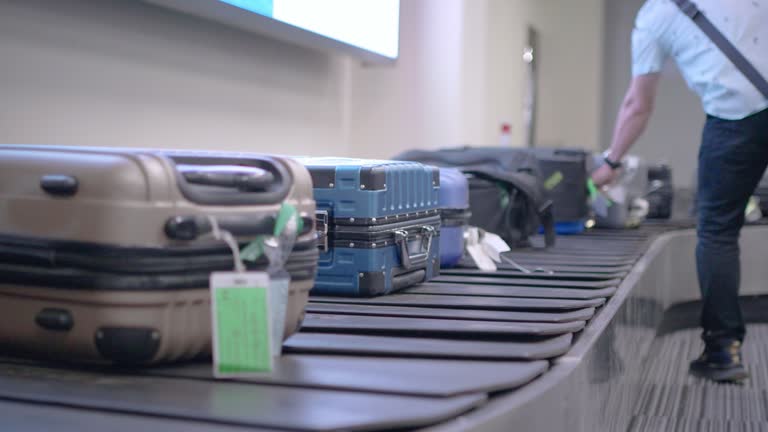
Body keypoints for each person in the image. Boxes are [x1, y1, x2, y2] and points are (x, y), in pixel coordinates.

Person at [592, 0, 768, 382]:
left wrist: (612, 162)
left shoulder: (656, 16)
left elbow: (638, 104)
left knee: (718, 232)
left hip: (734, 122)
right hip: (738, 115)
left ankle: (723, 351)